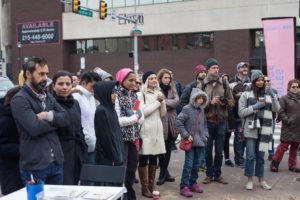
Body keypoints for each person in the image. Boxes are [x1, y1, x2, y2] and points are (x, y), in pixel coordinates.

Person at [11, 57, 67, 184]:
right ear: (28, 74)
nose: (46, 78)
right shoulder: (19, 99)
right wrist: (55, 120)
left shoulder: (48, 96)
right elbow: (34, 128)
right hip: (35, 165)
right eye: (41, 74)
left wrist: (47, 116)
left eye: (47, 74)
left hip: (56, 162)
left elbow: (65, 119)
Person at [238, 70, 280, 190]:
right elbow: (240, 113)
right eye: (259, 80)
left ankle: (261, 180)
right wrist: (254, 107)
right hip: (251, 129)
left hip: (265, 130)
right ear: (254, 81)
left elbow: (277, 109)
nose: (261, 82)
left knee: (261, 156)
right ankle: (250, 180)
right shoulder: (246, 94)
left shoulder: (268, 94)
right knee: (250, 156)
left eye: (263, 80)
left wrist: (272, 95)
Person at [200, 58, 234, 185]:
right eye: (213, 68)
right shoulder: (202, 84)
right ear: (208, 70)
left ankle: (218, 175)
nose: (216, 70)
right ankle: (209, 174)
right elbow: (197, 103)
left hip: (221, 121)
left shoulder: (224, 83)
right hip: (207, 121)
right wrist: (210, 102)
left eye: (217, 67)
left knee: (219, 151)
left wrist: (223, 102)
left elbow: (232, 102)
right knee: (208, 151)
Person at [52, 71, 87, 185]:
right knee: (64, 185)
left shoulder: (75, 103)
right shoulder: (50, 103)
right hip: (61, 151)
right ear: (53, 86)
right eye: (60, 84)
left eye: (68, 83)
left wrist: (83, 147)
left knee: (75, 184)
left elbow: (79, 127)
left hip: (77, 150)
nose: (64, 87)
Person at [115, 68, 144, 199]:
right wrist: (134, 118)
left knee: (132, 168)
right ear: (121, 79)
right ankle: (122, 195)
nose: (133, 83)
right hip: (122, 139)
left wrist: (135, 117)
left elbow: (140, 115)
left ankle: (129, 192)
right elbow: (117, 120)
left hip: (134, 137)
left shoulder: (135, 95)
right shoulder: (116, 95)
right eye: (130, 80)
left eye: (135, 80)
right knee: (122, 169)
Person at [137, 71, 167, 198]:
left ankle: (151, 185)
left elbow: (163, 113)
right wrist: (158, 102)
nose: (154, 80)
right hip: (145, 130)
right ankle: (144, 188)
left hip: (157, 130)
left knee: (154, 158)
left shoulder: (159, 93)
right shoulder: (139, 94)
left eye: (155, 78)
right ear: (146, 81)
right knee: (143, 158)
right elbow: (143, 112)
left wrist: (162, 101)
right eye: (151, 78)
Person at [177, 88, 209, 197]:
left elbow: (204, 124)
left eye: (202, 98)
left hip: (200, 142)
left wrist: (205, 135)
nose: (200, 100)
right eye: (198, 98)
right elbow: (179, 122)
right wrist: (186, 135)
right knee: (188, 165)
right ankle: (184, 186)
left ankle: (193, 183)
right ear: (193, 98)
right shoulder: (186, 109)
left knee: (197, 164)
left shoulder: (202, 110)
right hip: (190, 143)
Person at [270, 79, 300, 173]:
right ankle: (275, 163)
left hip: (298, 127)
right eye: (293, 87)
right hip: (288, 126)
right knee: (283, 146)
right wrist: (287, 120)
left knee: (295, 147)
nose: (295, 88)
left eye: (297, 87)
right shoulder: (284, 98)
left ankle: (292, 165)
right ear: (289, 88)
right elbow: (280, 111)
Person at [94, 80, 125, 168]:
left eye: (116, 92)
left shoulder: (111, 109)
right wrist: (111, 157)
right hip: (107, 158)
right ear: (105, 93)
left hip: (116, 153)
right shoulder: (101, 111)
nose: (115, 95)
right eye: (112, 93)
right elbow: (104, 138)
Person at [157, 68, 179, 185]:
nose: (167, 80)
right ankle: (163, 174)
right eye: (165, 78)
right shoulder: (156, 89)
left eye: (169, 78)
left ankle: (164, 173)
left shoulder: (173, 88)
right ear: (160, 78)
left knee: (169, 148)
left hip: (171, 122)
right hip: (161, 122)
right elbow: (157, 103)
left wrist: (164, 102)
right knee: (161, 150)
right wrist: (169, 103)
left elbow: (177, 101)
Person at [73, 72, 100, 165]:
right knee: (86, 177)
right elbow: (76, 120)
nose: (94, 89)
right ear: (83, 83)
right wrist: (85, 137)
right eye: (92, 86)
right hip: (82, 144)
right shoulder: (76, 96)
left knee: (91, 176)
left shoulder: (91, 97)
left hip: (92, 144)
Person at [0, 86, 23, 195]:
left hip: (22, 166)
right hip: (10, 169)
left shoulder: (18, 117)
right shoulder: (5, 121)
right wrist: (23, 148)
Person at [229, 62, 251, 168]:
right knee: (238, 138)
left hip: (247, 114)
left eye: (246, 67)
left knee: (245, 138)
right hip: (236, 115)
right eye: (242, 67)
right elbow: (227, 97)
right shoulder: (231, 82)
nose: (245, 68)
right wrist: (235, 95)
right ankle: (239, 160)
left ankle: (242, 158)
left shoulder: (250, 82)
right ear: (238, 69)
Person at [264, 76, 278, 161]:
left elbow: (277, 105)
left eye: (269, 80)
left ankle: (271, 153)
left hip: (271, 117)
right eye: (265, 81)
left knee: (271, 136)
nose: (267, 82)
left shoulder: (274, 91)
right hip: (261, 117)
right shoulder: (259, 91)